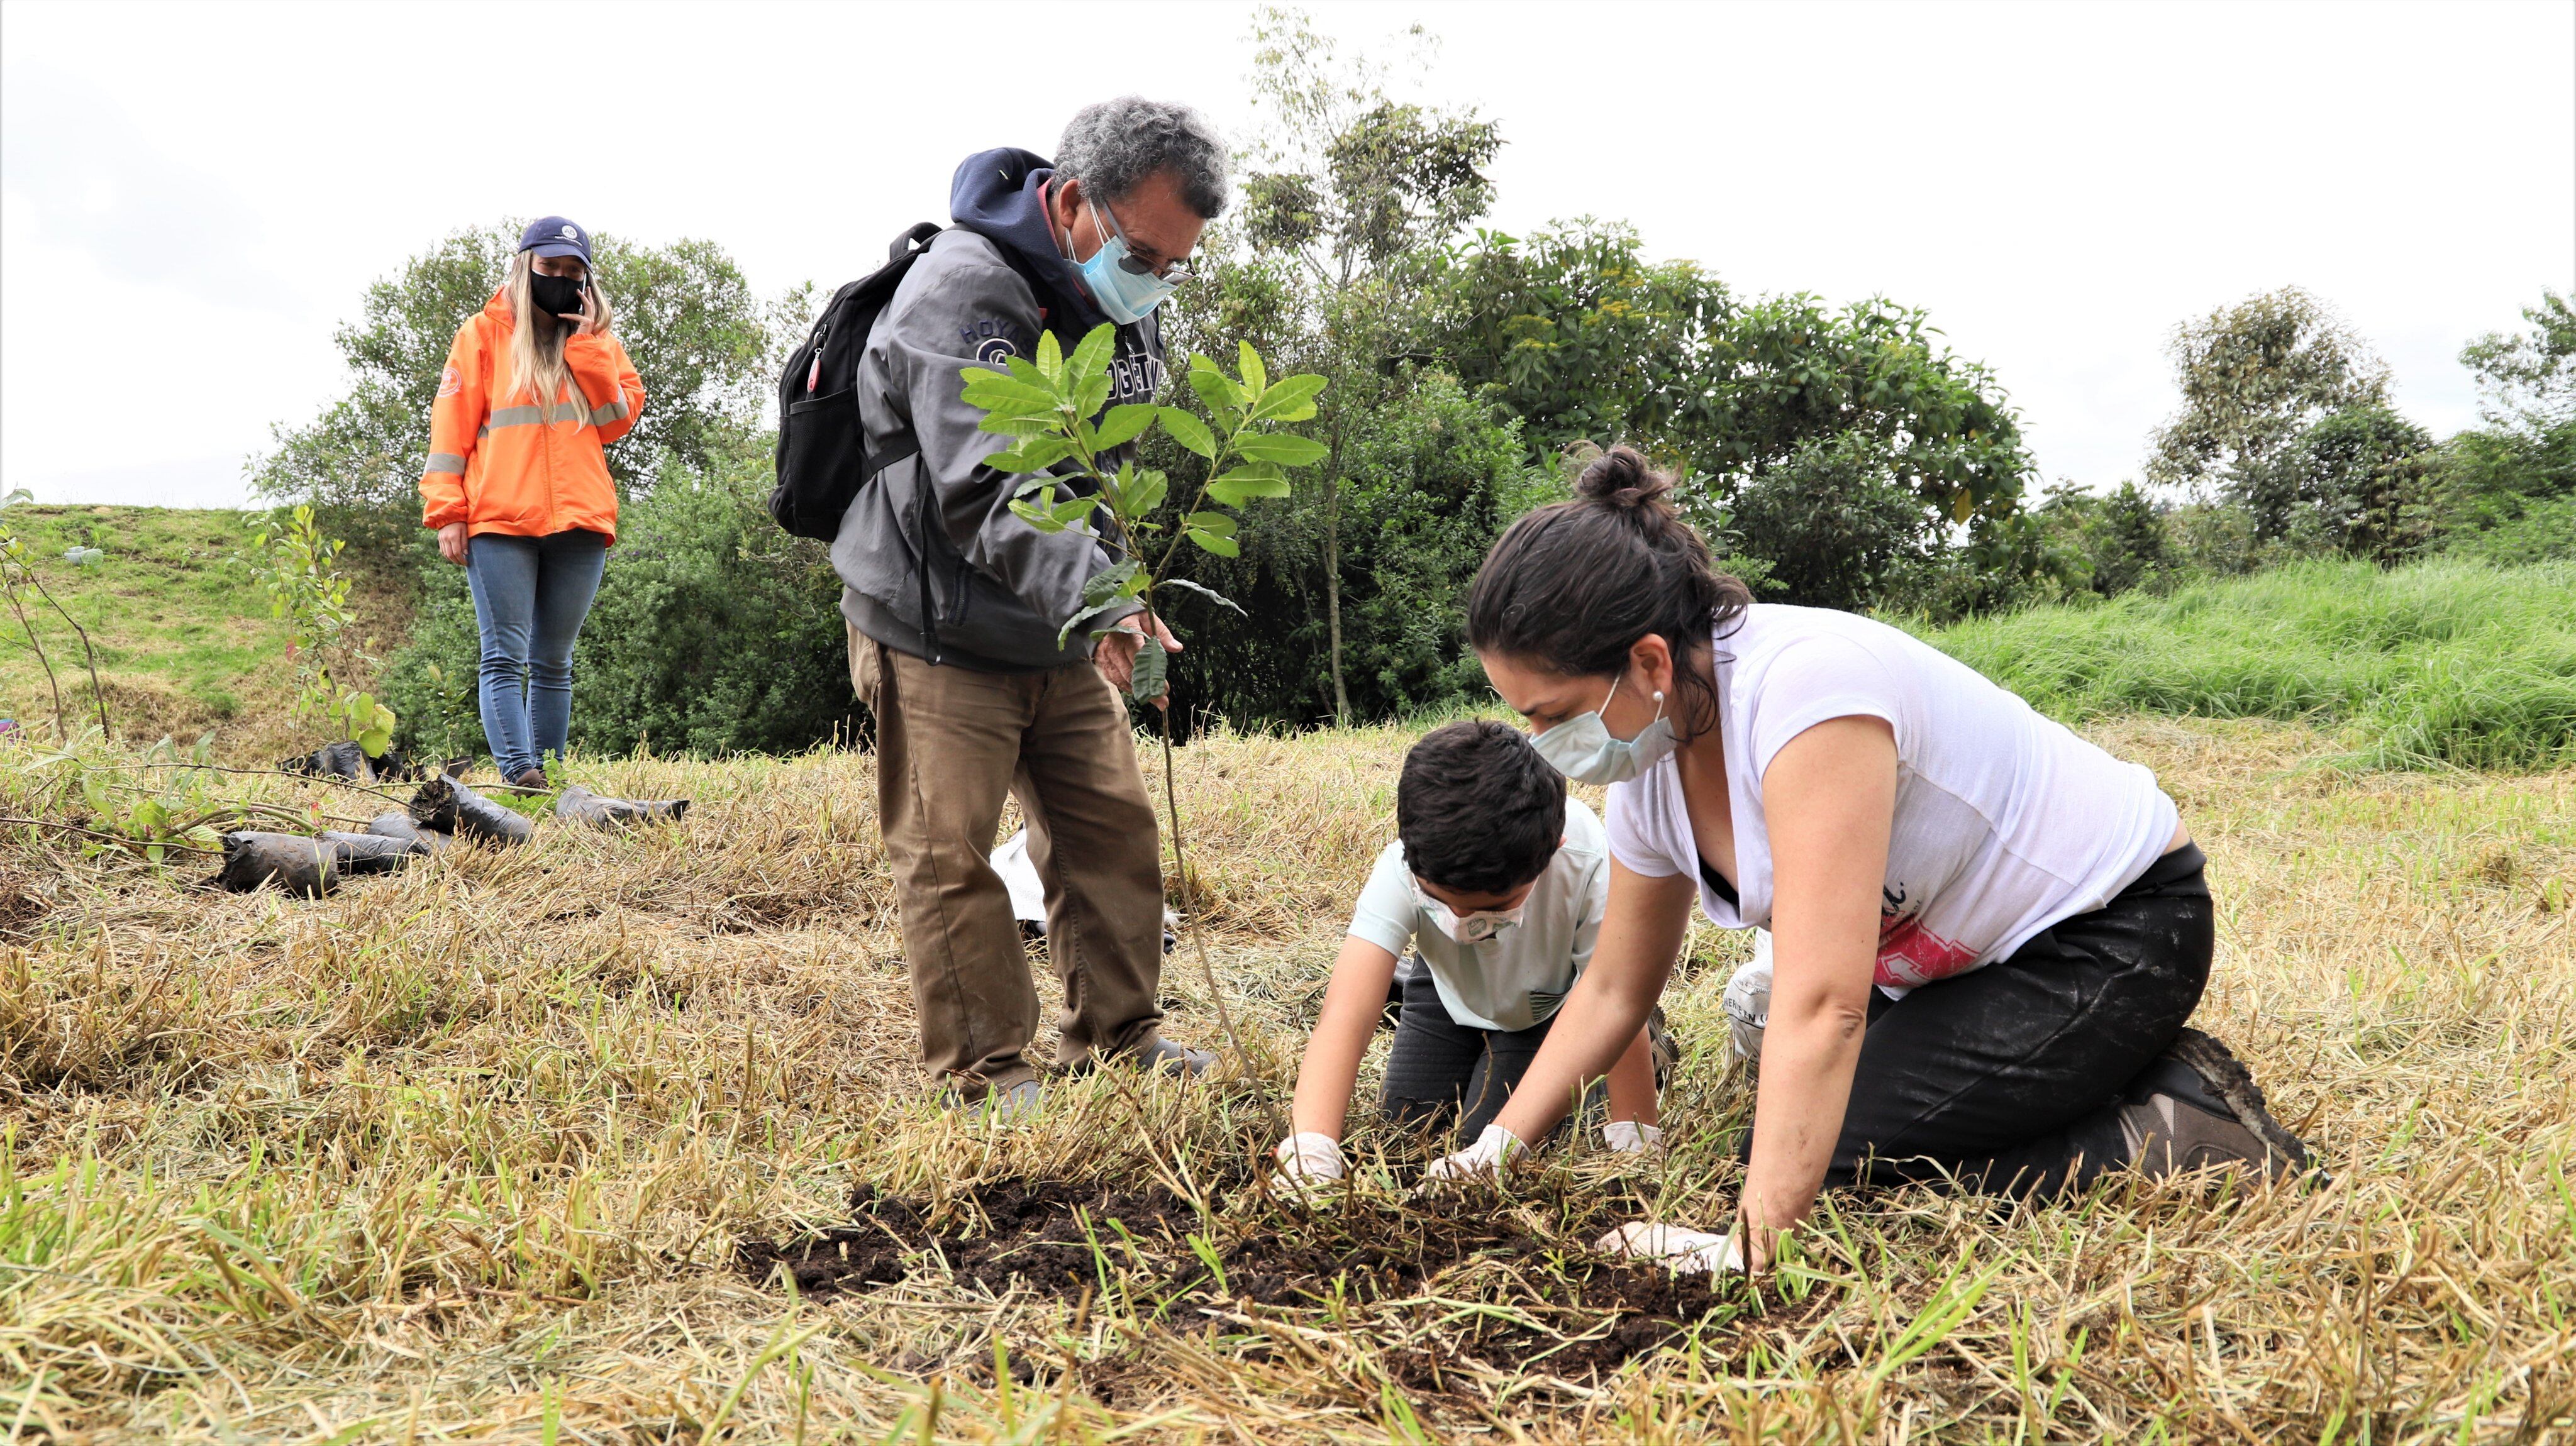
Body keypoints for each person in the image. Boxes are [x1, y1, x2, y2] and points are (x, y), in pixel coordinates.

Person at [1432, 446, 2316, 1270]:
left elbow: (1825, 1004)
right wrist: (1494, 1150)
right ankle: (2095, 1078)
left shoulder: (1806, 693)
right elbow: (1617, 987)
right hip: (1955, 975)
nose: (1541, 742)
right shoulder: (1650, 769)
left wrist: (1751, 1247)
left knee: (1826, 1156)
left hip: (2109, 932)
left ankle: (2177, 1127)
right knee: (1804, 1128)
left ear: (1649, 660)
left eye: (1552, 713)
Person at [833, 99, 1228, 1115]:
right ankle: (985, 1070)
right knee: (948, 849)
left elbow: (1099, 480)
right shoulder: (961, 293)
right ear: (1067, 202)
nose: (1153, 281)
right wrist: (1100, 602)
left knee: (1109, 828)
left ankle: (1120, 1032)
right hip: (936, 623)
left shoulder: (1116, 303)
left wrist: (1121, 600)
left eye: (1173, 266)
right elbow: (987, 489)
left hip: (1054, 618)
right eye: (1142, 252)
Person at [1274, 722, 1670, 1189]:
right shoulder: (1404, 865)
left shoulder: (1588, 861)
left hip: (1552, 1007)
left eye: (1493, 908)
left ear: (1550, 854)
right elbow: (1346, 1015)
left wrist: (1635, 1141)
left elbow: (1611, 996)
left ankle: (1650, 1040)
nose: (1462, 921)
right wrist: (1311, 1148)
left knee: (1483, 1141)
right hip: (1445, 996)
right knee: (1406, 1134)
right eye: (1440, 901)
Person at [421, 216, 644, 788]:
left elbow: (617, 422)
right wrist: (448, 512)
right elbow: (450, 433)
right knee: (504, 655)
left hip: (581, 521)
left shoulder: (599, 342)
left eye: (574, 272)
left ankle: (549, 778)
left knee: (554, 662)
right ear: (526, 266)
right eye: (550, 268)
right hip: (499, 520)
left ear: (587, 281)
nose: (560, 278)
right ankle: (522, 776)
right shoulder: (480, 334)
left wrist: (589, 344)